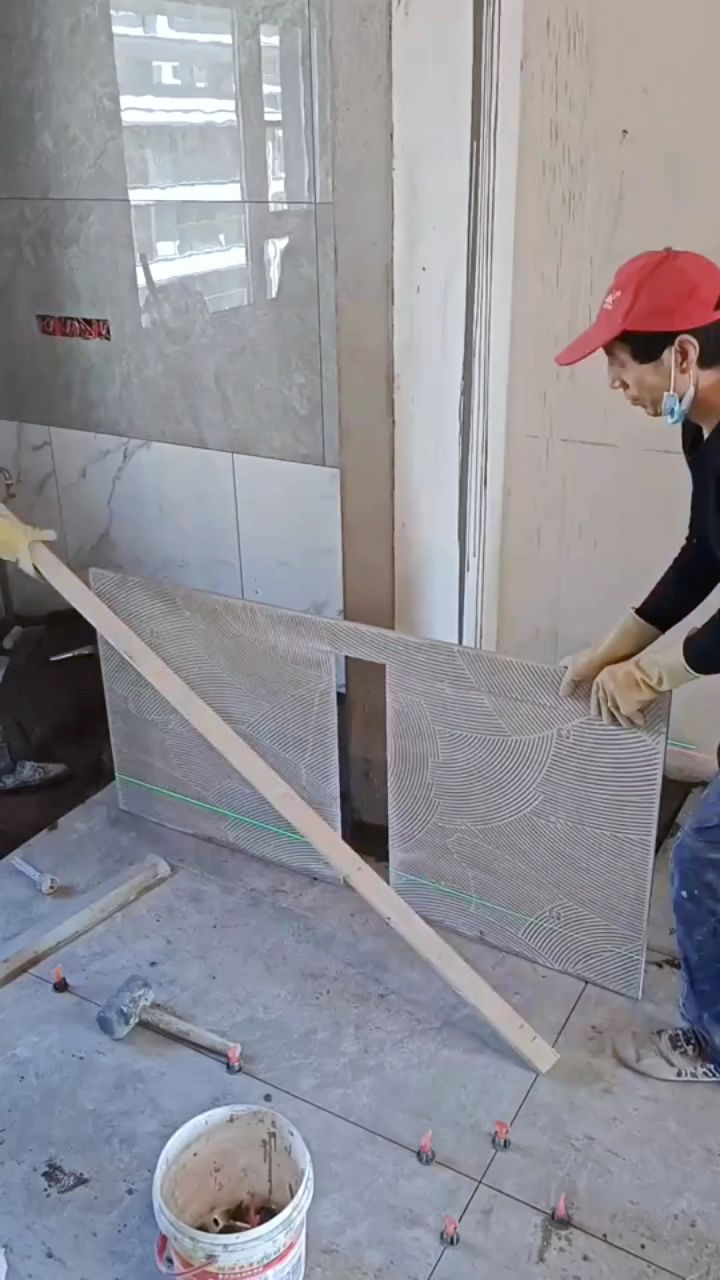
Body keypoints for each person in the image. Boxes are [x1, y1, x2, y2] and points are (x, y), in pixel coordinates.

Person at [557, 247, 720, 1082]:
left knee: (703, 859)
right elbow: (704, 555)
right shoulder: (702, 430)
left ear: (682, 353)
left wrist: (657, 674)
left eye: (623, 365)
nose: (617, 385)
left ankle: (713, 1045)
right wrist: (611, 650)